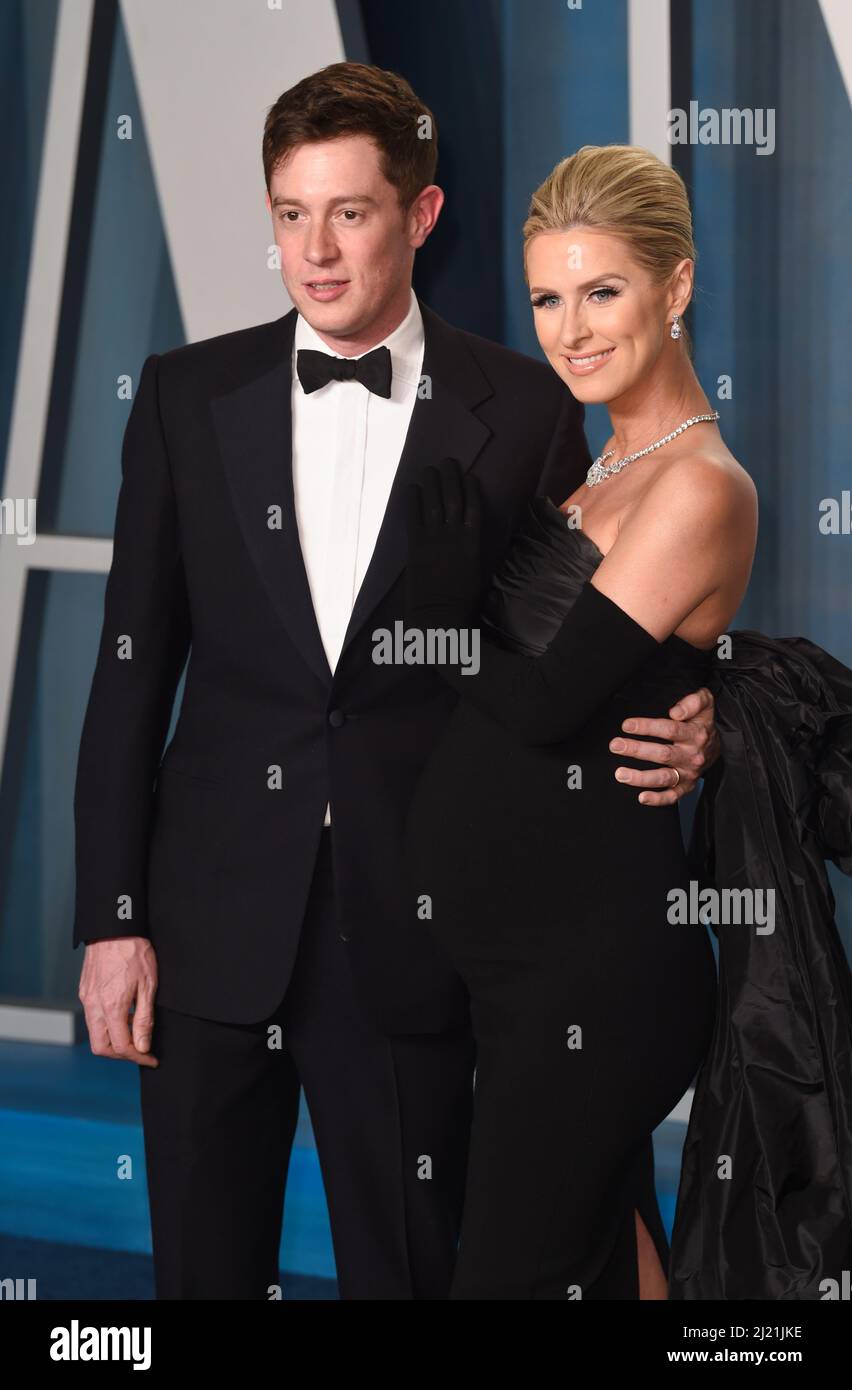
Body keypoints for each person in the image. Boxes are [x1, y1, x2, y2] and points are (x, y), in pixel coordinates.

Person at [72, 71, 718, 1301]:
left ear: (421, 216)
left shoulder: (528, 408)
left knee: (416, 1276)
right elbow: (129, 664)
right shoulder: (183, 396)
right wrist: (111, 915)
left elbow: (576, 654)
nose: (314, 251)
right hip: (210, 919)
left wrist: (699, 720)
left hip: (429, 924)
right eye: (291, 213)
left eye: (352, 213)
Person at [403, 144, 759, 1299]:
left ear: (679, 285)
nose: (570, 328)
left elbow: (547, 704)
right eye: (548, 297)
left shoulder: (700, 483)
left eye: (601, 291)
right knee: (606, 1264)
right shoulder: (604, 456)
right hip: (525, 964)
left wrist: (450, 610)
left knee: (509, 1276)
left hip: (594, 974)